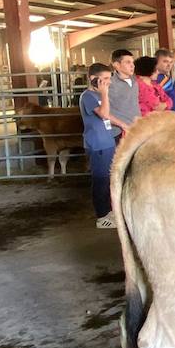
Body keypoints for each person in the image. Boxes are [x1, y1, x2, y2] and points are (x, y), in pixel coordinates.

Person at [79, 63, 119, 230]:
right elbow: (103, 114)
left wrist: (124, 125)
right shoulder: (88, 96)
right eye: (105, 79)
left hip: (106, 140)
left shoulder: (98, 96)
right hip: (98, 143)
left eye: (109, 78)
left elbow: (108, 115)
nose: (109, 82)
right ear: (93, 79)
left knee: (108, 178)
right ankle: (101, 216)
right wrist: (105, 93)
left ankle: (108, 211)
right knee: (101, 179)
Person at [107, 48, 139, 134]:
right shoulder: (109, 84)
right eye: (128, 62)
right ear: (116, 65)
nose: (132, 65)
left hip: (136, 129)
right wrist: (123, 125)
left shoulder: (135, 81)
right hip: (119, 132)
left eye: (132, 62)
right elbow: (103, 111)